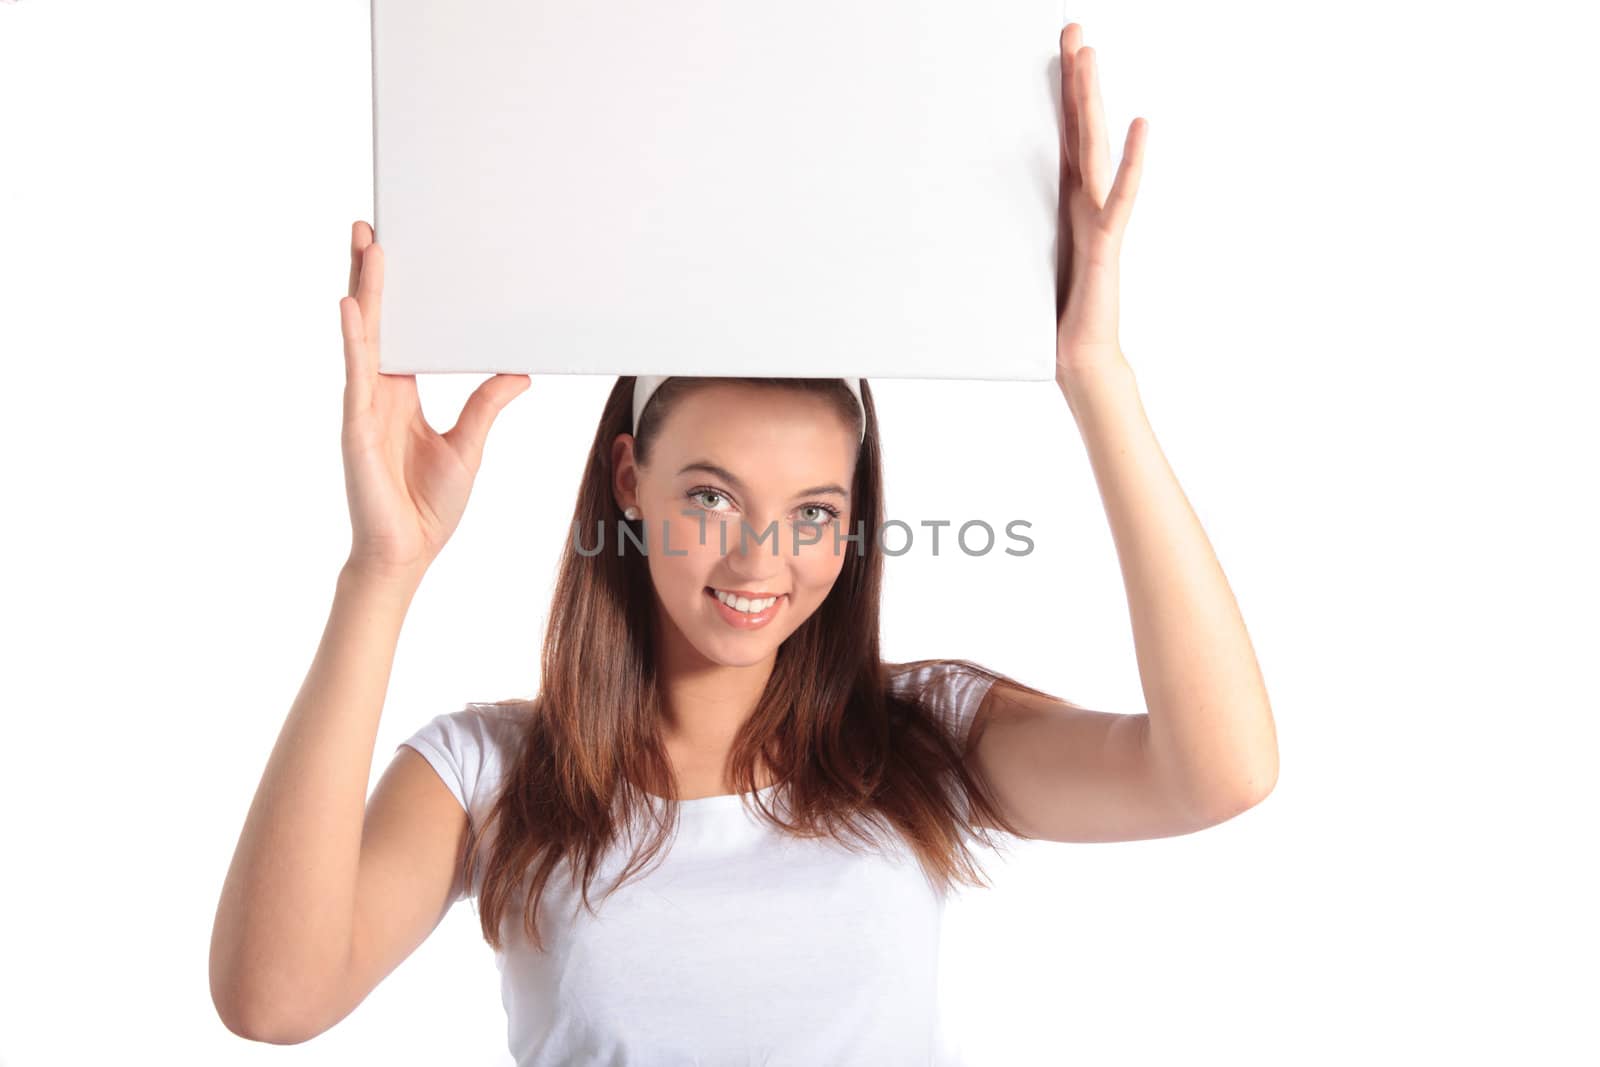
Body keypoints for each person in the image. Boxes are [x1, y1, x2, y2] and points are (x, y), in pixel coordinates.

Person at [208, 22, 1277, 1065]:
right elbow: (274, 999)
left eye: (814, 510)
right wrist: (381, 570)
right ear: (629, 479)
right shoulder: (491, 772)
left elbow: (1217, 775)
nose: (763, 557)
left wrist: (1099, 379)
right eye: (712, 496)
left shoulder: (923, 742)